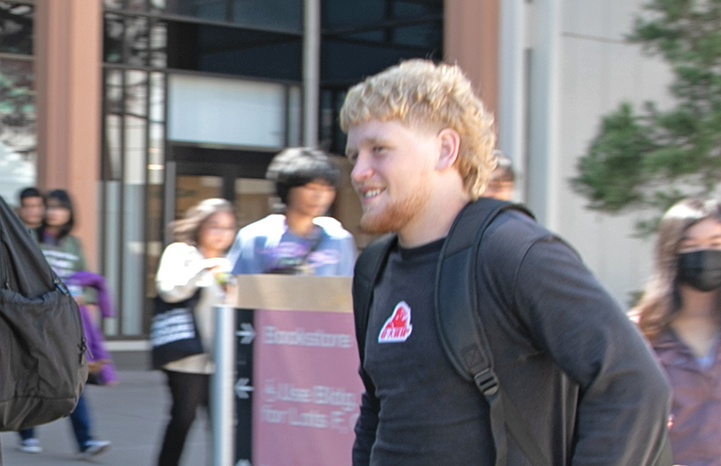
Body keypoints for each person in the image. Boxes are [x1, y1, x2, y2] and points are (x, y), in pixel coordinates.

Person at [344, 59, 670, 465]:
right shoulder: (373, 269)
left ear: (446, 149)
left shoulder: (514, 252)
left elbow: (634, 384)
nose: (359, 171)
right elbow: (377, 408)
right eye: (354, 153)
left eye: (379, 149)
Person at [22, 189, 112, 457]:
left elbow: (88, 280)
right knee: (32, 374)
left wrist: (86, 296)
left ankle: (86, 441)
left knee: (74, 378)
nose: (54, 212)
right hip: (38, 317)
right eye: (50, 206)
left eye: (61, 207)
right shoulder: (30, 237)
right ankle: (27, 432)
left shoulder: (73, 243)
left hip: (68, 320)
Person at [633, 196, 721, 466]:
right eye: (690, 245)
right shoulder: (639, 335)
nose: (705, 254)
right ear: (670, 252)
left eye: (716, 244)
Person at [153, 198, 236, 466]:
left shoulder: (232, 261)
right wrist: (202, 268)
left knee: (223, 422)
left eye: (228, 227)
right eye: (215, 226)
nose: (222, 233)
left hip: (222, 358)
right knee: (183, 417)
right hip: (186, 356)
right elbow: (169, 289)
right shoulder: (181, 252)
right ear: (199, 226)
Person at [229, 147, 357, 277]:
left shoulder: (338, 239)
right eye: (311, 188)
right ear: (287, 188)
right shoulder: (255, 237)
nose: (320, 196)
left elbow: (347, 290)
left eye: (327, 189)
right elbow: (238, 287)